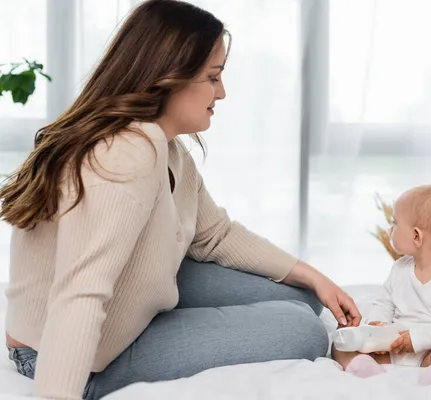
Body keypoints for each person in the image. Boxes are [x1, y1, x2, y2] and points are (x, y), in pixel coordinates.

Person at [0, 1, 361, 399]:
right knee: (303, 330)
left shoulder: (165, 146)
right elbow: (81, 290)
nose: (222, 93)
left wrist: (314, 276)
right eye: (213, 77)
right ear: (169, 77)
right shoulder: (124, 153)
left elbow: (215, 235)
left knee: (304, 298)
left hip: (128, 297)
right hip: (61, 351)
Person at [331, 185, 431, 385]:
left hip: (430, 351)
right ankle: (363, 366)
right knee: (341, 340)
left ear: (416, 236)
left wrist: (417, 339)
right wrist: (377, 325)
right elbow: (384, 303)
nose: (390, 228)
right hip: (391, 347)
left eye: (395, 223)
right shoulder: (400, 268)